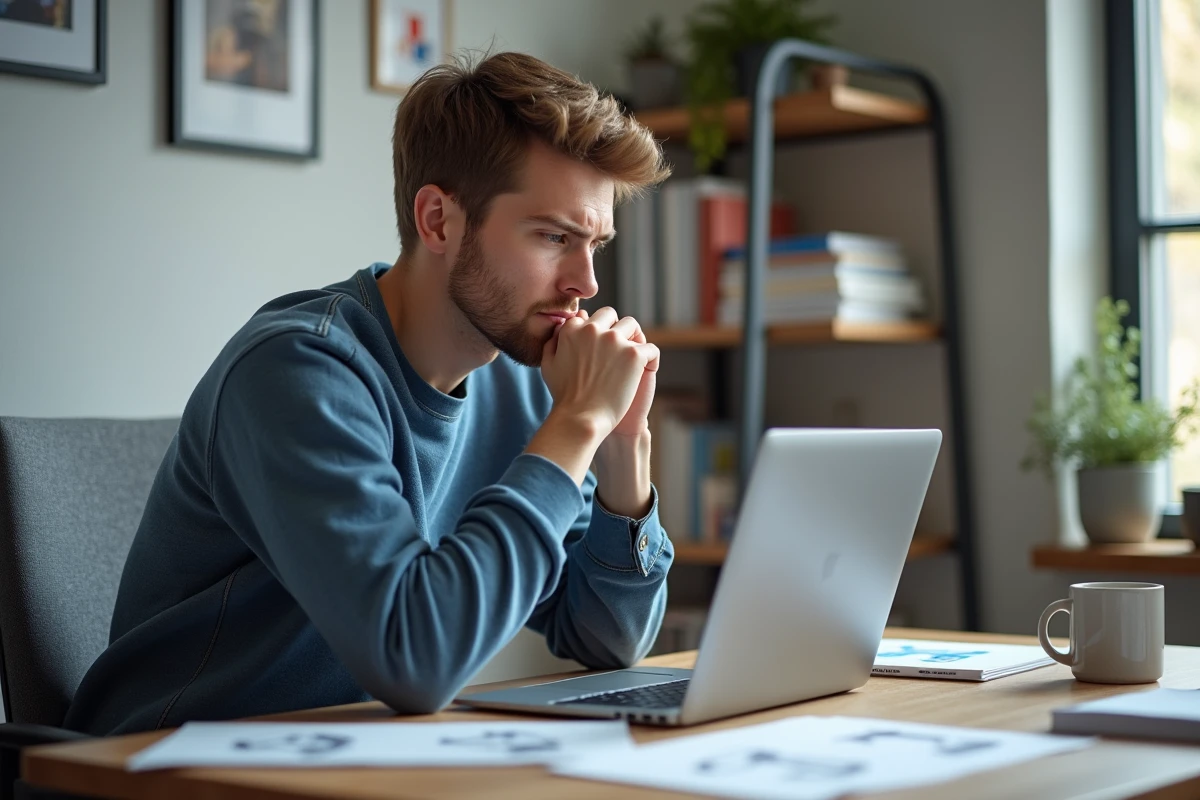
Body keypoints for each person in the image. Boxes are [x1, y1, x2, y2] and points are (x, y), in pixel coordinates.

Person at [65, 52, 674, 736]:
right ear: (438, 220)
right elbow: (415, 658)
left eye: (595, 243)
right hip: (166, 765)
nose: (586, 282)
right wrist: (577, 422)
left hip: (350, 757)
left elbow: (609, 639)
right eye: (554, 236)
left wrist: (621, 446)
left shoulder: (522, 381)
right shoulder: (297, 370)